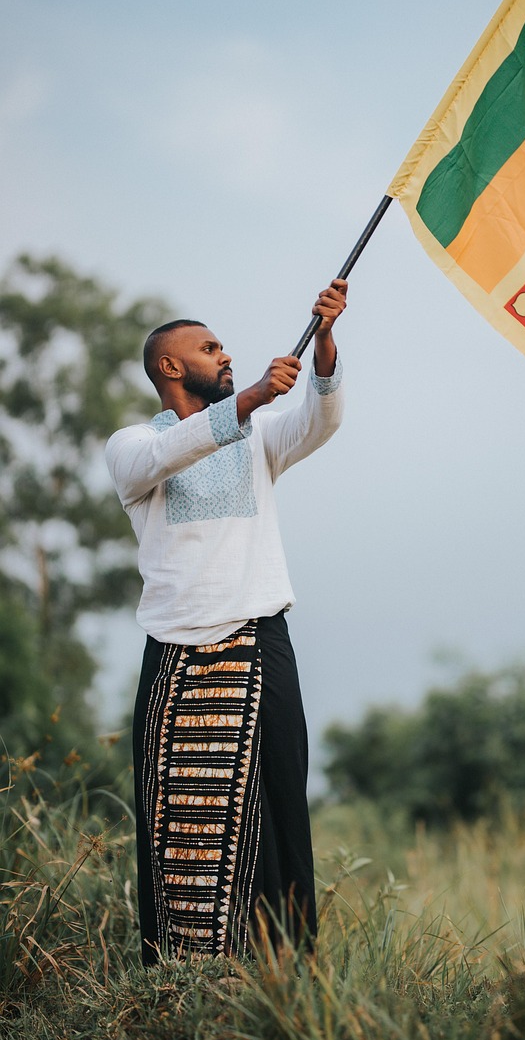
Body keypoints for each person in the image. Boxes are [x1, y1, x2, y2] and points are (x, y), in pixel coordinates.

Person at [105, 279, 347, 965]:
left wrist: (324, 338)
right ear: (170, 368)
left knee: (277, 811)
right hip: (174, 656)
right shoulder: (131, 446)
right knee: (177, 820)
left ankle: (282, 977)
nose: (225, 354)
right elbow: (166, 454)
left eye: (224, 346)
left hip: (257, 639)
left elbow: (320, 421)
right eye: (209, 348)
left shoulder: (259, 437)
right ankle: (184, 982)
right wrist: (249, 401)